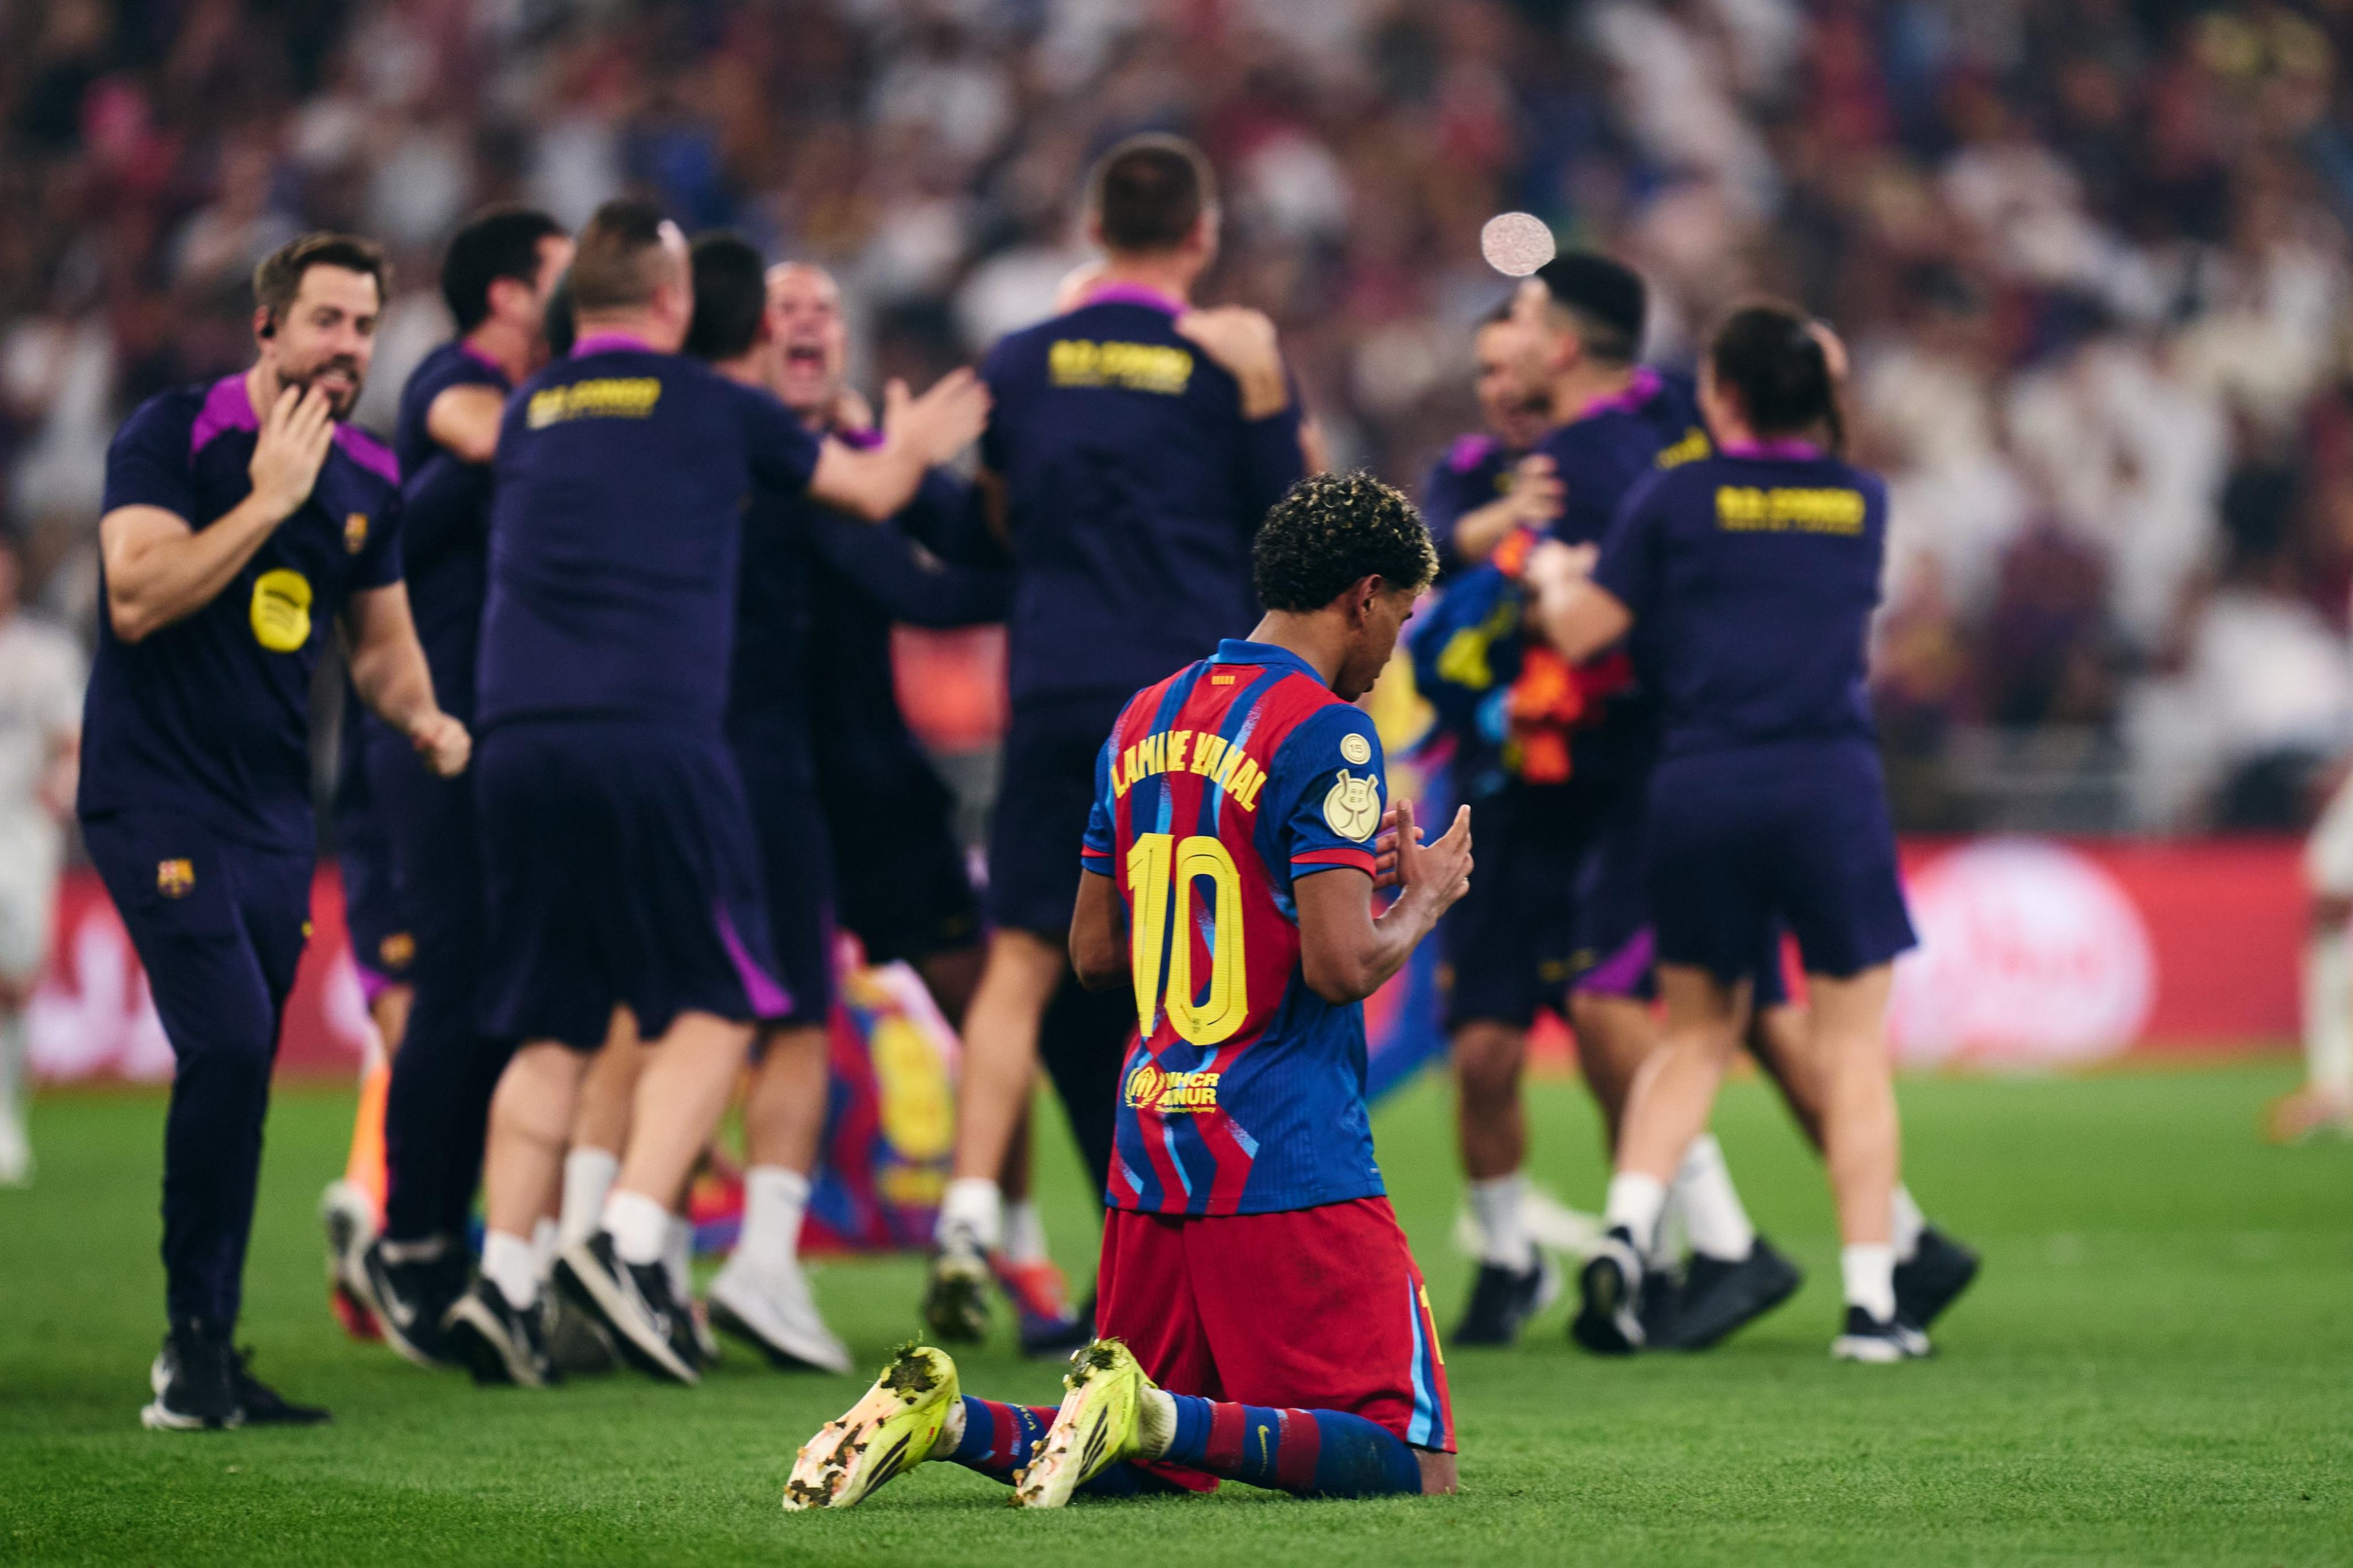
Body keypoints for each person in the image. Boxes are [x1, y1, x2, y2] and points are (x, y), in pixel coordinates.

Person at [786, 471, 1469, 1511]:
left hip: (1151, 1148)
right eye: (1402, 619)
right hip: (1285, 1147)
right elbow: (1339, 968)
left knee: (1144, 1464)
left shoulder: (1144, 715)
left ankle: (950, 1420)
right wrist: (1420, 904)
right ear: (1362, 597)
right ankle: (1147, 1408)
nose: (1390, 654)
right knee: (1409, 1462)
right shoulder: (1328, 732)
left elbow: (1095, 952)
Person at [436, 199, 987, 1388]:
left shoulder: (529, 406)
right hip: (653, 735)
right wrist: (926, 440)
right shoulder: (711, 406)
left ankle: (507, 1282)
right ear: (677, 303)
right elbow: (872, 493)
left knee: (557, 1022)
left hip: (514, 737)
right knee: (722, 1000)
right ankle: (630, 1245)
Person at [82, 231, 470, 1428]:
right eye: (327, 323)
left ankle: (204, 1346)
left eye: (364, 328)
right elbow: (137, 595)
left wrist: (424, 717)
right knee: (237, 1040)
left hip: (269, 815)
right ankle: (190, 1354)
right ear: (267, 327)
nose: (348, 348)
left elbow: (382, 644)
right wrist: (267, 505)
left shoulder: (365, 478)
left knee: (239, 1076)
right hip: (154, 793)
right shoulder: (174, 437)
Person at [927, 132, 1310, 1341]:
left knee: (1024, 964)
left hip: (1048, 695)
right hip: (1189, 712)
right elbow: (1299, 531)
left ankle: (966, 1221)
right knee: (1187, 980)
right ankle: (1204, 1242)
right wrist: (1268, 394)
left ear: (1092, 229)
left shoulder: (1020, 359)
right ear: (1199, 236)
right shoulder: (1221, 360)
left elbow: (994, 518)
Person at [1525, 302, 1930, 1361]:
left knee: (1697, 1036)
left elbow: (1582, 634)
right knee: (1849, 1050)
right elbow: (1827, 439)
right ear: (1823, 398)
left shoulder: (1675, 494)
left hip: (1700, 784)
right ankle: (1871, 1305)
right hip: (1827, 783)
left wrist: (1552, 573)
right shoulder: (1862, 500)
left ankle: (1624, 1234)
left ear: (1726, 397)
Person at [1428, 253, 1797, 1350]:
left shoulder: (1619, 449)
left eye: (1515, 361)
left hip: (1612, 789)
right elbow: (1422, 564)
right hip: (1498, 803)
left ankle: (1688, 1246)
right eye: (1485, 369)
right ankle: (1509, 1260)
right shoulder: (1469, 475)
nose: (1501, 387)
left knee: (1614, 1029)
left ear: (1557, 358)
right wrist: (1505, 525)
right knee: (1487, 1053)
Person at [338, 205, 574, 1369]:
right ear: (508, 297)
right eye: (562, 279)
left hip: (492, 732)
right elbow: (483, 434)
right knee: (456, 979)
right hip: (424, 731)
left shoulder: (535, 397)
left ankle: (451, 1234)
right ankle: (412, 1239)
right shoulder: (455, 376)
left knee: (495, 986)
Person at [0, 530, 83, 1187]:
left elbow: (71, 740)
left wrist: (57, 792)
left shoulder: (45, 655)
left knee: (15, 980)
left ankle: (6, 1118)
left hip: (21, 832)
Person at [2271, 764, 2353, 1140]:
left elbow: (2334, 893)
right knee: (2334, 1031)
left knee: (2338, 1024)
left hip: (2340, 941)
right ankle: (2332, 1102)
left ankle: (2332, 1103)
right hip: (2332, 940)